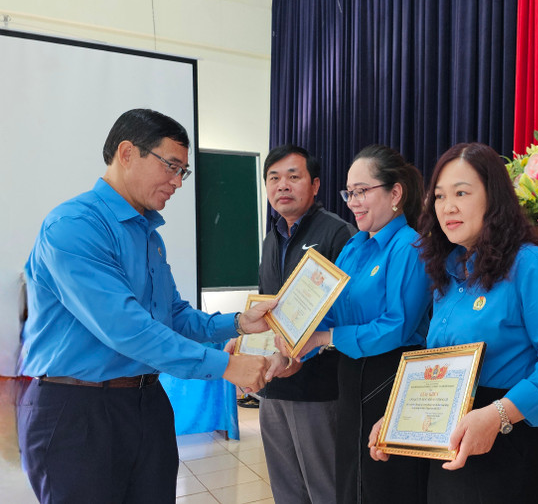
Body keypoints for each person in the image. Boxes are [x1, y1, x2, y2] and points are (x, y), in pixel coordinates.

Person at [17, 108, 280, 504]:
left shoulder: (149, 234)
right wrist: (226, 365)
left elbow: (172, 315)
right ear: (127, 153)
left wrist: (240, 322)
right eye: (170, 166)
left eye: (182, 171)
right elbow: (127, 328)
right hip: (78, 410)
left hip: (147, 403)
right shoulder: (74, 226)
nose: (177, 182)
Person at [368, 142, 538, 503]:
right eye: (439, 196)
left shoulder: (531, 265)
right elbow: (438, 367)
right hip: (448, 442)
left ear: (493, 197)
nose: (448, 207)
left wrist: (497, 415)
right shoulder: (448, 272)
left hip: (504, 440)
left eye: (461, 193)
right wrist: (398, 419)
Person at [291, 144, 432, 504]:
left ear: (395, 193)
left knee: (385, 485)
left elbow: (397, 326)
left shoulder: (409, 246)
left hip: (391, 378)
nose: (353, 202)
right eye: (349, 193)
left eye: (362, 191)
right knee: (351, 481)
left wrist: (326, 337)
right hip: (351, 375)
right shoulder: (354, 246)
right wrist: (292, 346)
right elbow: (328, 313)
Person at [255, 145, 356, 503]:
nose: (282, 185)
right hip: (273, 386)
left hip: (318, 389)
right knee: (285, 489)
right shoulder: (271, 238)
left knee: (325, 489)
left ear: (314, 185)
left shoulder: (338, 234)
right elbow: (267, 308)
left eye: (293, 177)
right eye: (273, 178)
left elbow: (347, 313)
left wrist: (303, 354)